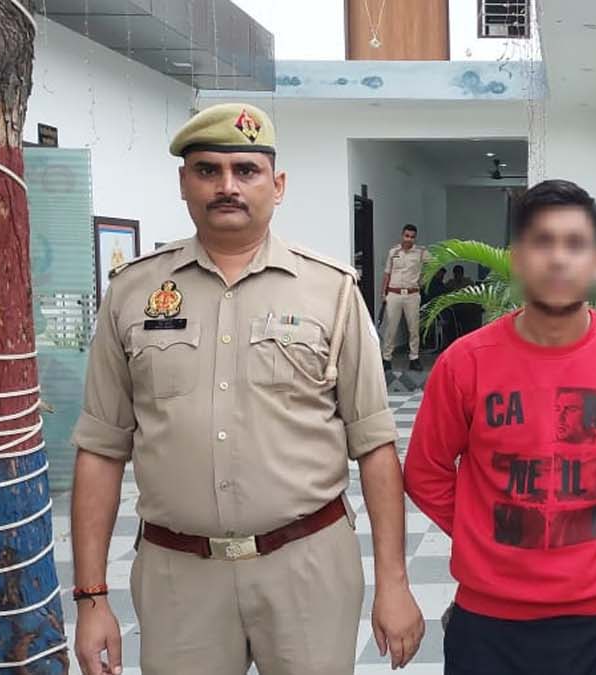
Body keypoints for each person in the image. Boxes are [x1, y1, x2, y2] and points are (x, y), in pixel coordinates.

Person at [69, 103, 424, 675]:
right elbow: (101, 449)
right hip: (178, 576)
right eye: (208, 170)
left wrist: (394, 583)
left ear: (276, 185)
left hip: (308, 567)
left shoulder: (331, 291)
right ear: (183, 183)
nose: (227, 186)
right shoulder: (133, 293)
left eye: (246, 170)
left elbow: (375, 445)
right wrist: (91, 599)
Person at [403, 179, 596, 675]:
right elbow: (425, 473)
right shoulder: (465, 362)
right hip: (492, 622)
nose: (559, 259)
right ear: (517, 260)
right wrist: (483, 529)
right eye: (542, 242)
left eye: (575, 244)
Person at [381, 224, 430, 371]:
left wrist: (423, 280)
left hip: (412, 294)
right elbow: (387, 273)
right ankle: (386, 358)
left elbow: (434, 266)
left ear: (415, 238)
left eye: (412, 237)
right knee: (391, 328)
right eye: (407, 236)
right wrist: (383, 293)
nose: (409, 239)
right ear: (402, 235)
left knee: (413, 328)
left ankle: (414, 358)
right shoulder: (393, 252)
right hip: (394, 293)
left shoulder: (421, 252)